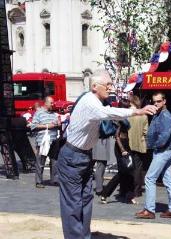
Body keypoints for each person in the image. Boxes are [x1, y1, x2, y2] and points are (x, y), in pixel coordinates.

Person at [56, 70, 157, 239]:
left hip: (84, 156)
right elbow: (108, 113)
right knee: (72, 203)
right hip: (72, 157)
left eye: (111, 84)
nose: (111, 88)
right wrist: (137, 112)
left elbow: (108, 112)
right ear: (95, 86)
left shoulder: (97, 102)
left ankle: (83, 235)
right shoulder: (89, 102)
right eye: (108, 85)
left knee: (86, 199)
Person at [135, 92, 171, 219]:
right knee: (168, 180)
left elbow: (164, 137)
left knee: (149, 178)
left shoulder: (165, 116)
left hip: (163, 150)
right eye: (154, 101)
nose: (156, 103)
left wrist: (153, 145)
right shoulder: (158, 114)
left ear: (164, 101)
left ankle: (149, 210)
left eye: (158, 101)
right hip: (164, 150)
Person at [100, 98, 137, 204]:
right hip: (121, 146)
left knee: (127, 171)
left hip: (125, 144)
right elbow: (117, 136)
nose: (129, 108)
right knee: (123, 172)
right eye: (128, 106)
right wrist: (123, 150)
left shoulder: (123, 117)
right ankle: (106, 193)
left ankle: (126, 194)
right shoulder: (119, 119)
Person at [31, 97, 60, 188]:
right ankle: (39, 181)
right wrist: (48, 126)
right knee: (41, 162)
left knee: (54, 162)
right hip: (42, 141)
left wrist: (58, 124)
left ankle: (54, 180)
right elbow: (33, 126)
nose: (53, 104)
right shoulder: (39, 113)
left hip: (54, 140)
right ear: (46, 103)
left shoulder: (54, 114)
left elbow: (56, 125)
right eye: (51, 103)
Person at [128, 95, 148, 197]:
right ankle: (137, 190)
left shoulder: (127, 115)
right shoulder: (144, 116)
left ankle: (129, 188)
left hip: (128, 144)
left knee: (129, 167)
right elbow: (146, 132)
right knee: (138, 168)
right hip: (140, 144)